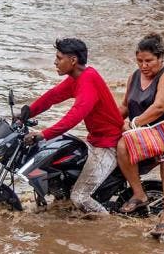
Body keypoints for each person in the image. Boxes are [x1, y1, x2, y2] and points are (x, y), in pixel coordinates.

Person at [23, 39, 124, 214]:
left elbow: (74, 117)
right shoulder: (76, 78)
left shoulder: (88, 80)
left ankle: (108, 227)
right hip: (95, 142)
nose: (55, 62)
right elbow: (52, 96)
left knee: (80, 197)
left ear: (73, 60)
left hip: (108, 146)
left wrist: (43, 134)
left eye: (59, 58)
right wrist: (26, 114)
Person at [116, 33, 164, 237]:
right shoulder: (134, 76)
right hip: (146, 132)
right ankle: (139, 195)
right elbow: (125, 106)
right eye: (140, 61)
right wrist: (109, 119)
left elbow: (159, 106)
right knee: (121, 146)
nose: (144, 65)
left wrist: (133, 123)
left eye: (149, 61)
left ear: (160, 58)